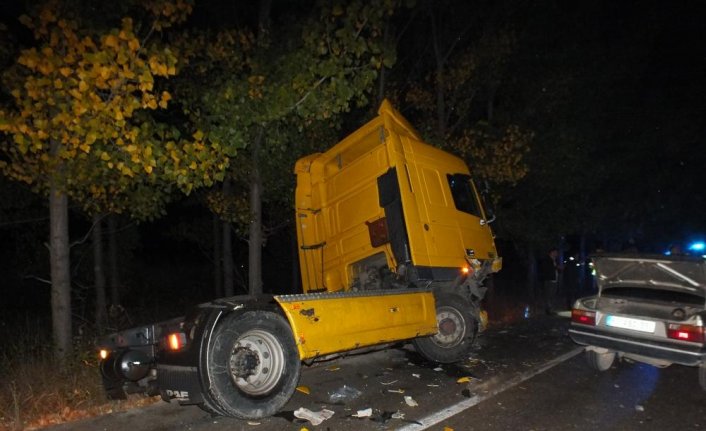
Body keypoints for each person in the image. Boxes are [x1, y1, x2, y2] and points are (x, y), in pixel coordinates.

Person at [538, 248, 563, 315]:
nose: (556, 254)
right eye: (555, 252)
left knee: (552, 295)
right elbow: (547, 269)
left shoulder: (555, 260)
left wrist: (560, 269)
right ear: (551, 253)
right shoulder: (547, 260)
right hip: (549, 280)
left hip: (554, 279)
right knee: (548, 295)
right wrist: (556, 267)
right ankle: (548, 310)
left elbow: (557, 270)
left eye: (557, 253)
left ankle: (551, 309)